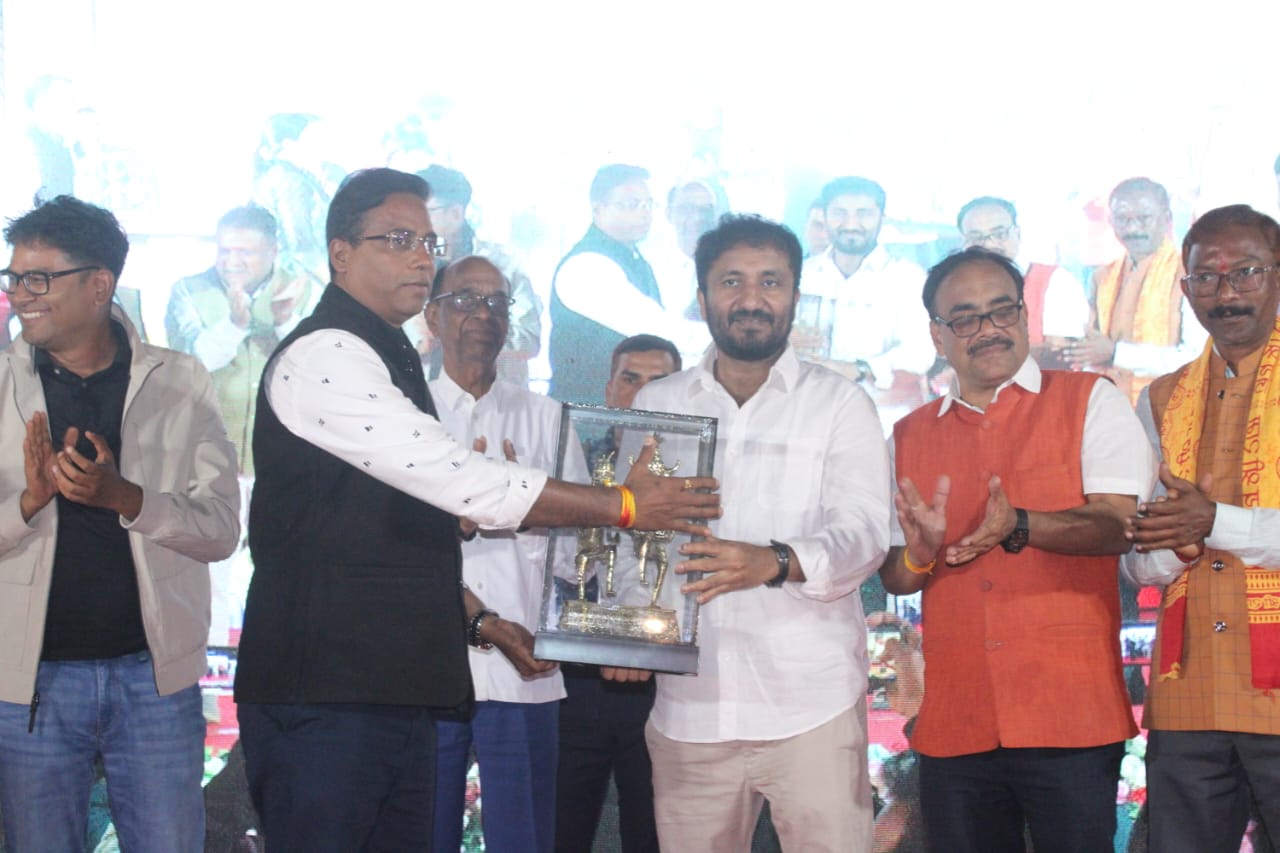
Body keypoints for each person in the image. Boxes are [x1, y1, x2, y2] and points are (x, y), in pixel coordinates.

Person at [233, 167, 719, 852]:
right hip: (325, 693)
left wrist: (491, 606)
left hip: (399, 687)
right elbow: (457, 478)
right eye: (398, 239)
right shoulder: (326, 353)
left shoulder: (393, 356)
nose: (419, 257)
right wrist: (626, 503)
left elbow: (406, 527)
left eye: (426, 242)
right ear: (340, 252)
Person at [618, 213, 890, 851]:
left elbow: (864, 533)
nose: (751, 299)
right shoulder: (659, 403)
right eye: (731, 281)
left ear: (795, 294)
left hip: (811, 706)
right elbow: (629, 541)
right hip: (690, 710)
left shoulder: (841, 403)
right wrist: (627, 631)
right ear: (702, 295)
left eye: (770, 281)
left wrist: (776, 561)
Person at [879, 246, 1156, 853]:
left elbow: (1119, 526)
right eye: (966, 318)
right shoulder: (907, 434)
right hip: (957, 719)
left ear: (1025, 316)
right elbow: (897, 577)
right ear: (937, 336)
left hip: (1069, 710)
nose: (988, 329)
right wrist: (921, 553)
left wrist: (1022, 525)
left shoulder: (1090, 399)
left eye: (1002, 310)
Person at [0, 195, 241, 851]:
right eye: (14, 277)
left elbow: (221, 529)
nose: (20, 294)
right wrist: (29, 502)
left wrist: (127, 497)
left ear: (99, 284)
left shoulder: (179, 381)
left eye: (39, 279)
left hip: (153, 678)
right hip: (30, 682)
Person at [1122, 204, 1280, 853]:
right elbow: (1138, 558)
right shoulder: (1162, 397)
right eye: (1207, 277)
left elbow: (1204, 520)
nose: (1226, 292)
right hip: (1190, 693)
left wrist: (1214, 522)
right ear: (1185, 290)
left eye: (1245, 272)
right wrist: (1177, 548)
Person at [425, 255, 563, 853]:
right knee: (418, 832)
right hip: (423, 667)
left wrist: (523, 513)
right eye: (465, 299)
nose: (483, 313)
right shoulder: (405, 414)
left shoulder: (546, 417)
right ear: (431, 317)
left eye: (497, 302)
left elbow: (578, 553)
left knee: (525, 836)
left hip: (523, 664)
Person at [555, 333, 681, 853]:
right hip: (572, 677)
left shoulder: (697, 473)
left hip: (662, 684)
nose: (643, 395)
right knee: (558, 828)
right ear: (609, 389)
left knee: (652, 834)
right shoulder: (570, 458)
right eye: (631, 379)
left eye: (659, 382)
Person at [165, 204, 318, 474]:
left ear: (273, 251)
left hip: (285, 459)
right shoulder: (188, 290)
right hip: (206, 459)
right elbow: (191, 365)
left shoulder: (306, 290)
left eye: (244, 252)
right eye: (224, 251)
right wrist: (235, 325)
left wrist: (284, 322)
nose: (231, 262)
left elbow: (318, 370)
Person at [548, 164, 707, 404]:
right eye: (632, 204)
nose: (644, 213)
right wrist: (732, 343)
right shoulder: (585, 266)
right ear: (597, 208)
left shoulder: (635, 258)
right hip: (586, 412)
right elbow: (658, 330)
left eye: (648, 204)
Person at [797, 175, 935, 431]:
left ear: (882, 218)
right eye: (839, 213)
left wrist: (861, 369)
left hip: (880, 421)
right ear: (825, 217)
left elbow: (921, 352)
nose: (851, 224)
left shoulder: (909, 279)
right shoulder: (801, 276)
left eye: (863, 213)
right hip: (807, 417)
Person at [1068, 177, 1208, 400]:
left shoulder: (1192, 275)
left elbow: (1198, 360)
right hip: (1112, 407)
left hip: (1170, 407)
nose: (1132, 228)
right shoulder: (1102, 277)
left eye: (1144, 218)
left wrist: (1116, 353)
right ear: (1111, 221)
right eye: (1123, 219)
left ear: (1167, 219)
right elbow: (1093, 351)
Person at [411, 164, 543, 387]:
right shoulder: (401, 268)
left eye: (426, 212)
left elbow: (528, 339)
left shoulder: (504, 266)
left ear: (456, 213)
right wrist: (417, 341)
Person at [956, 195, 1089, 364]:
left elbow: (1062, 354)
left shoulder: (1056, 282)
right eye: (976, 238)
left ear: (1017, 234)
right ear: (963, 243)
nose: (989, 245)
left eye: (999, 234)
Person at [644, 177, 726, 364]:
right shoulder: (649, 265)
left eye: (706, 210)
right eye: (686, 209)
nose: (697, 218)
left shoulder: (729, 265)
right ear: (669, 214)